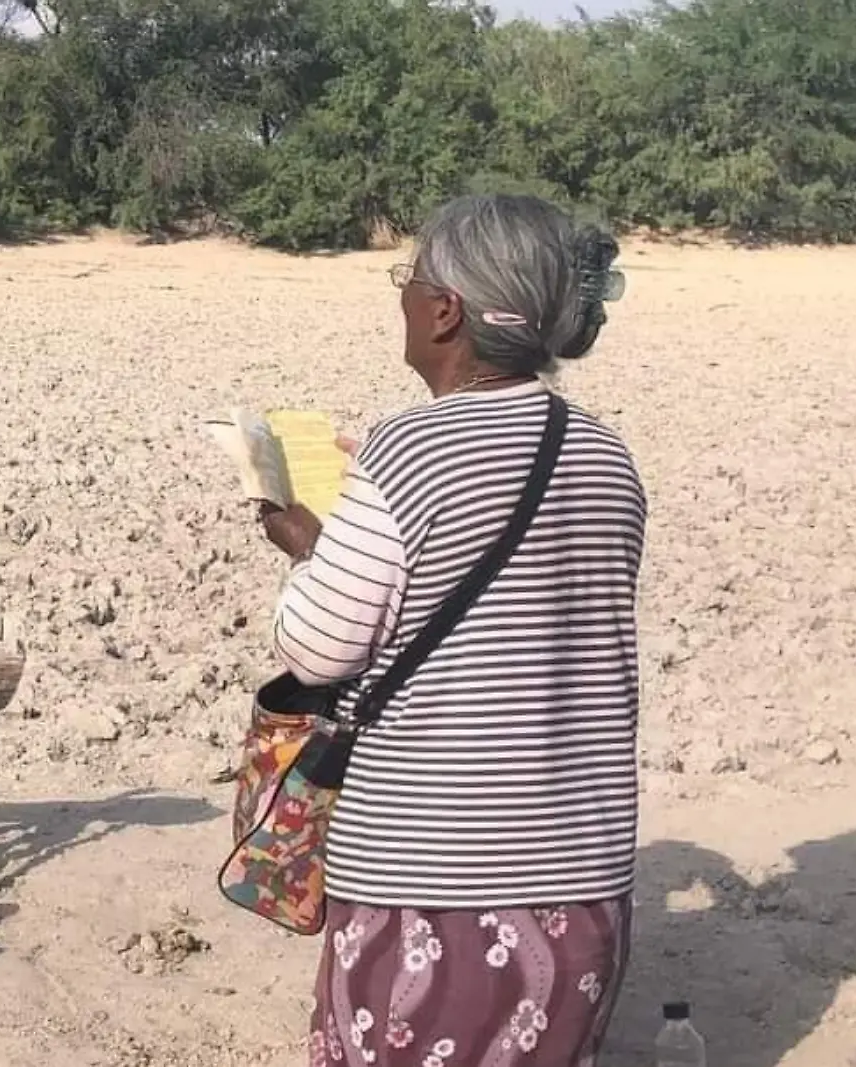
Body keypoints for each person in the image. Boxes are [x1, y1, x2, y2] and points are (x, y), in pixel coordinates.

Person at [256, 194, 643, 1066]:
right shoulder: (608, 456)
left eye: (410, 278)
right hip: (585, 877)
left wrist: (309, 551)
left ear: (444, 312)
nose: (402, 296)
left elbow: (317, 646)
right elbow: (528, 620)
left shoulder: (408, 449)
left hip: (432, 878)